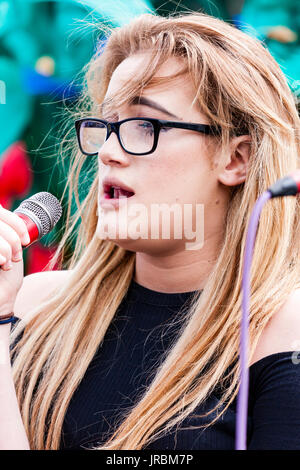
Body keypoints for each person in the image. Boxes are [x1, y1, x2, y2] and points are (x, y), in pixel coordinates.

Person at [1, 11, 300, 451]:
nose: (108, 152)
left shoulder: (282, 337)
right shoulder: (29, 306)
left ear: (236, 158)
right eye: (105, 125)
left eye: (145, 125)